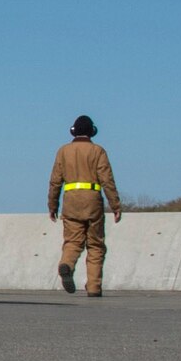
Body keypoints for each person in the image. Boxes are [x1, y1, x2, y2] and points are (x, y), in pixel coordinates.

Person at [48, 114, 122, 297]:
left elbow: (55, 181)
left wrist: (52, 206)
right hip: (92, 201)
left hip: (71, 201)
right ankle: (94, 287)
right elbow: (107, 180)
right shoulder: (98, 151)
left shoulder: (63, 151)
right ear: (92, 132)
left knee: (73, 241)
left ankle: (67, 264)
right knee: (96, 245)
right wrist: (116, 206)